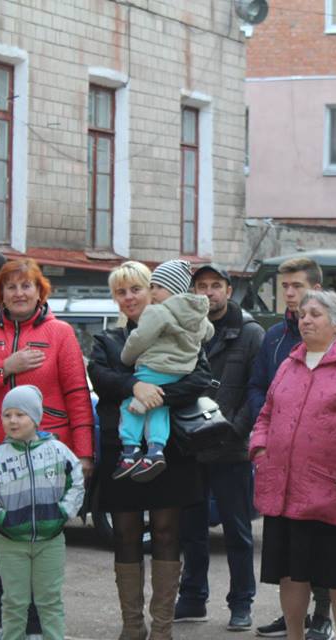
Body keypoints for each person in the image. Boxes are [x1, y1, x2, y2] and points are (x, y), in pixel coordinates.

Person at [0, 257, 95, 633]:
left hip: (48, 456)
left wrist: (83, 452)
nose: (18, 293)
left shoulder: (60, 332)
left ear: (39, 290)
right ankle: (10, 623)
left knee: (42, 541)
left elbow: (78, 393)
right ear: (0, 294)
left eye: (26, 285)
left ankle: (38, 626)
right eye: (11, 287)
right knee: (4, 542)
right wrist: (5, 367)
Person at [251, 289, 336, 640]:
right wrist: (260, 449)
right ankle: (295, 635)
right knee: (290, 574)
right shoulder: (288, 364)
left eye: (315, 314)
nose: (306, 320)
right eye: (302, 314)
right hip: (284, 489)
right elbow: (266, 415)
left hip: (333, 493)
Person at [88, 260, 212, 640]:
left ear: (154, 291)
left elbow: (201, 379)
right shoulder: (108, 339)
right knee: (125, 533)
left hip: (170, 450)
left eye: (136, 289)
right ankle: (131, 626)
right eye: (120, 292)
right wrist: (132, 388)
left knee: (165, 531)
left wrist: (154, 394)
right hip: (122, 450)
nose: (128, 298)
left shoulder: (180, 330)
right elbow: (101, 377)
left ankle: (162, 628)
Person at [248, 257, 336, 640]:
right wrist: (264, 432)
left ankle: (322, 615)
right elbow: (257, 387)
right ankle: (292, 616)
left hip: (318, 462)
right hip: (279, 458)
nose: (288, 294)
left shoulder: (333, 338)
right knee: (284, 546)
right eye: (284, 287)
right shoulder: (273, 337)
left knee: (317, 542)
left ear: (316, 288)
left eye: (296, 286)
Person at [174, 265, 264, 630]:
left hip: (230, 448)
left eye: (215, 286)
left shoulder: (250, 333)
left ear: (229, 290)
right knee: (191, 530)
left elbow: (258, 390)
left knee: (237, 532)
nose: (208, 293)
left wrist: (235, 430)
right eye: (201, 286)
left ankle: (241, 603)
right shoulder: (184, 329)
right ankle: (193, 597)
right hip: (189, 446)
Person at [0, 385, 85, 640]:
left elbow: (76, 481)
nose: (12, 420)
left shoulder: (58, 452)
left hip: (50, 541)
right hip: (10, 543)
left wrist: (64, 512)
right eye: (7, 414)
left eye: (20, 414)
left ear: (35, 418)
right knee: (13, 602)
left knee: (50, 601)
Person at [116, 259, 213, 482]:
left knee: (131, 405)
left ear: (174, 290)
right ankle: (155, 450)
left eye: (159, 287)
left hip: (153, 368)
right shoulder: (198, 314)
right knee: (159, 408)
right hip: (180, 372)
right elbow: (209, 333)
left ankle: (130, 451)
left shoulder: (157, 312)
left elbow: (139, 339)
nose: (154, 292)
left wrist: (126, 358)